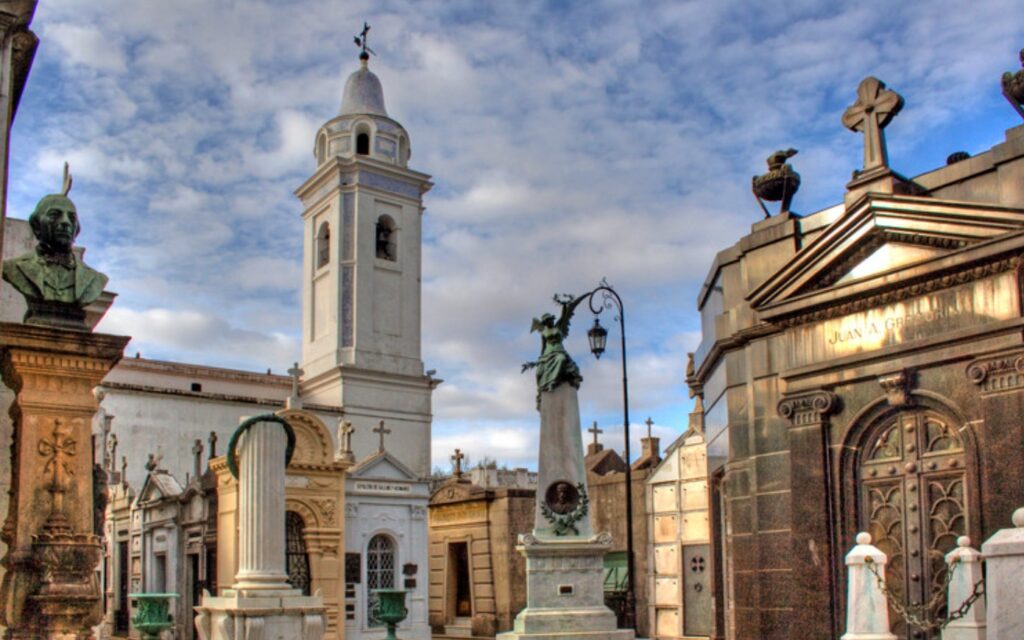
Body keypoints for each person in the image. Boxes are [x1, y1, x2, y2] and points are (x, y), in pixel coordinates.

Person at [3, 187, 108, 309]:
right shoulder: (13, 268)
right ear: (36, 226)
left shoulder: (95, 279)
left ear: (76, 230)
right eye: (54, 215)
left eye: (72, 218)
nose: (65, 222)